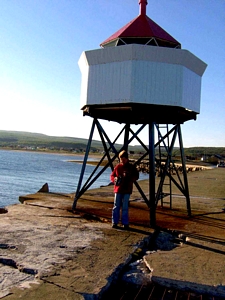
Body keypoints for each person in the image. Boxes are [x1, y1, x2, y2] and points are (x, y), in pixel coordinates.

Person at [110, 150, 139, 229]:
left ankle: (125, 223)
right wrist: (114, 179)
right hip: (118, 189)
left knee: (125, 207)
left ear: (127, 158)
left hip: (127, 189)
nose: (122, 161)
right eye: (121, 159)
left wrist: (129, 177)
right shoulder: (118, 167)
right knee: (116, 206)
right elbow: (112, 176)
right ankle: (114, 222)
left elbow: (136, 176)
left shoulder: (131, 167)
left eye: (123, 159)